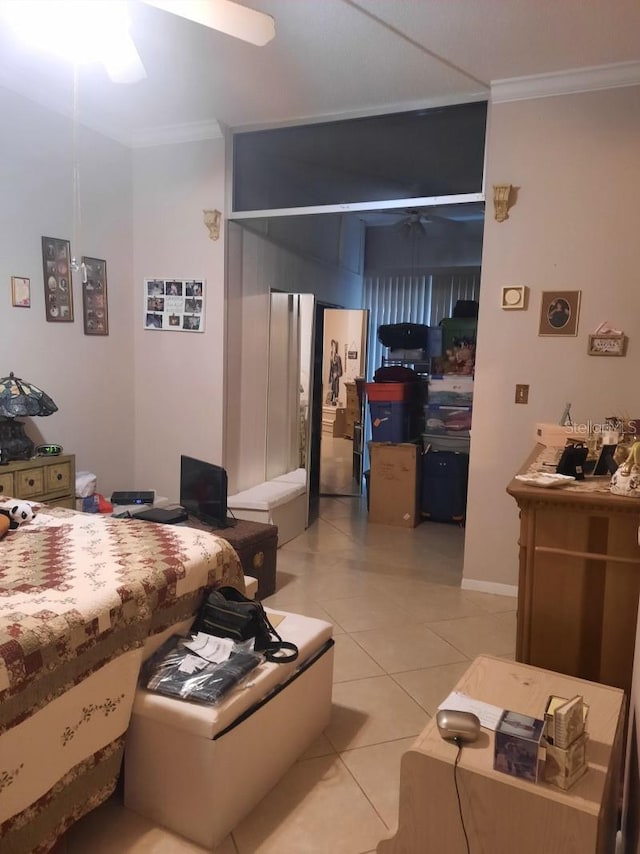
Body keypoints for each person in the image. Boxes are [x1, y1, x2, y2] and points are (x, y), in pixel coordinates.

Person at [327, 339, 343, 405]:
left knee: (336, 388)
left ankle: (335, 399)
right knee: (331, 388)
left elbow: (339, 368)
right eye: (332, 346)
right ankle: (330, 400)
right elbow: (330, 368)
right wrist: (330, 377)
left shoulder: (337, 357)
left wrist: (337, 374)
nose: (332, 348)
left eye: (334, 346)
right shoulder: (331, 357)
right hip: (332, 375)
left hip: (336, 376)